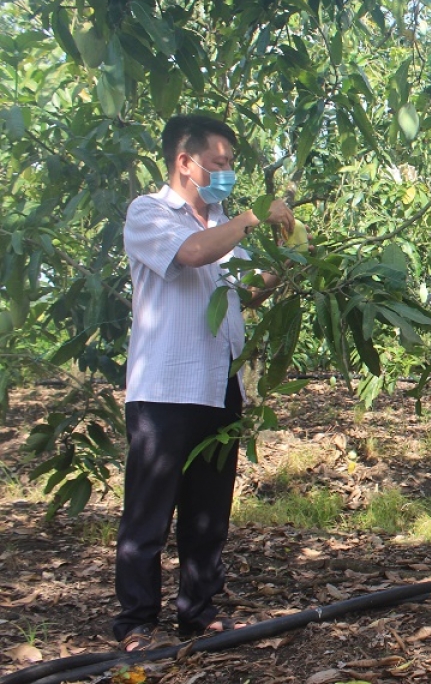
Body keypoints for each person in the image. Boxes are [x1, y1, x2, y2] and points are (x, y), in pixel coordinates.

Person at [116, 114, 295, 652]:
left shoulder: (221, 221)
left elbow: (239, 294)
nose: (227, 174)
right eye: (219, 164)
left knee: (207, 510)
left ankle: (198, 610)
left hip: (220, 384)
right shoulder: (150, 213)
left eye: (231, 166)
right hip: (166, 389)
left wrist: (285, 268)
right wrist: (254, 216)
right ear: (184, 161)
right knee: (149, 510)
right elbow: (192, 255)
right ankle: (137, 622)